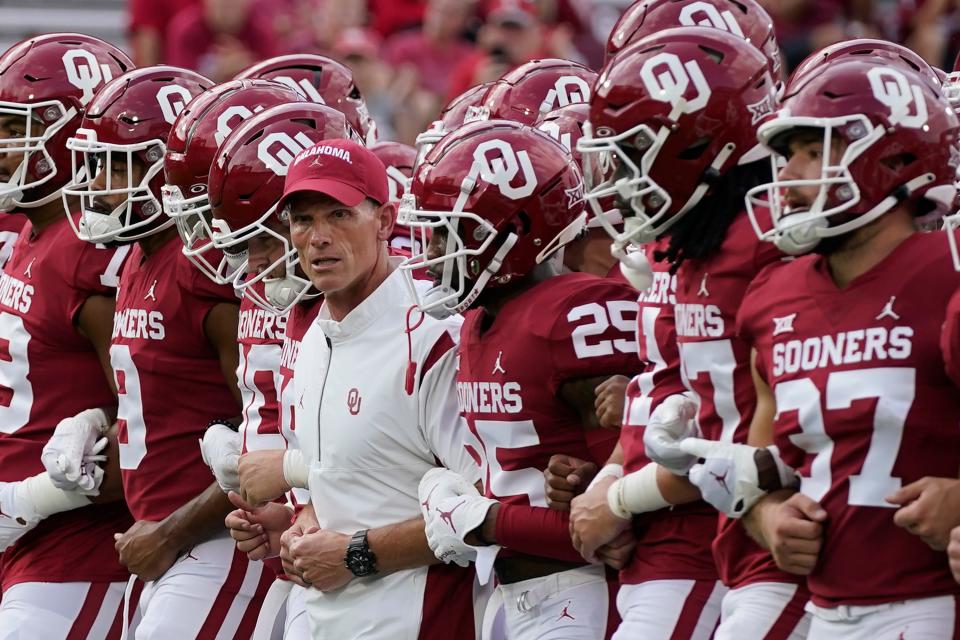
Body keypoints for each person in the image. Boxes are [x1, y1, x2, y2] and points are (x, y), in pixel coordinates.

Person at [572, 27, 810, 639]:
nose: (621, 176)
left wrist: (622, 499)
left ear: (699, 141)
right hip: (734, 525)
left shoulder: (768, 241)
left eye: (637, 151)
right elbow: (687, 392)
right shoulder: (697, 241)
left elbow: (782, 430)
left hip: (786, 533)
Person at [733, 57, 960, 637]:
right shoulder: (772, 295)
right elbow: (764, 469)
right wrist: (768, 518)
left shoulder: (951, 270)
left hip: (934, 602)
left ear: (892, 157)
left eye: (815, 151)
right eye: (789, 157)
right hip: (825, 611)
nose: (792, 175)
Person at [400, 119, 640, 639]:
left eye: (447, 230)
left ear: (509, 233)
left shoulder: (576, 313)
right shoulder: (476, 322)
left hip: (580, 593)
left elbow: (621, 527)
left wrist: (479, 517)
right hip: (507, 594)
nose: (433, 250)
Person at [59, 65, 274, 637]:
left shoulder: (203, 267)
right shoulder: (138, 255)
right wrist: (97, 421)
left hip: (218, 538)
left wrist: (175, 529)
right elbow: (163, 399)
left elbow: (264, 427)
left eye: (120, 163)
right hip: (163, 540)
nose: (100, 182)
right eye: (98, 163)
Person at [278, 137, 480, 639]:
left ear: (386, 221)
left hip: (421, 617)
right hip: (330, 619)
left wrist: (355, 554)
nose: (318, 236)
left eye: (339, 214)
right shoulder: (312, 337)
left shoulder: (434, 335)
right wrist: (306, 515)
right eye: (303, 219)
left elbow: (487, 506)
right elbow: (352, 475)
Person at [0, 33, 134, 639]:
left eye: (14, 128)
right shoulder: (35, 230)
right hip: (23, 544)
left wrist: (31, 498)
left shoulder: (89, 253)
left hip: (73, 553)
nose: (2, 147)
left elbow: (148, 425)